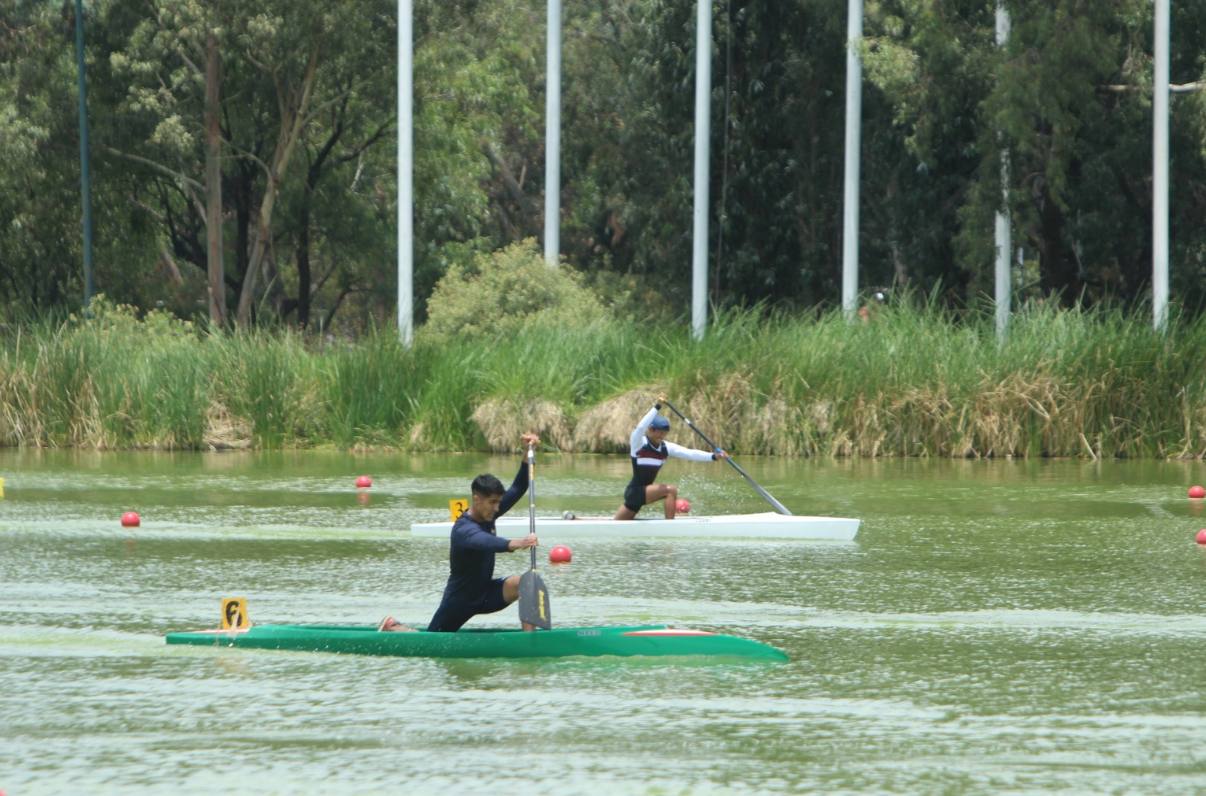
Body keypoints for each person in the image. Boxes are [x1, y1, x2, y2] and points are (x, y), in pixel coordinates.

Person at [379, 432, 541, 633]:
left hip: (486, 593)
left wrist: (527, 452)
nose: (497, 508)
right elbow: (484, 542)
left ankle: (529, 639)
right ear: (476, 499)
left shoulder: (490, 512)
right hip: (460, 601)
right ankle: (393, 627)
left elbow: (519, 487)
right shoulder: (463, 529)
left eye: (499, 502)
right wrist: (517, 543)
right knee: (430, 643)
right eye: (492, 503)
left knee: (527, 582)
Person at [613, 396, 727, 521]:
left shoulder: (666, 448)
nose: (662, 436)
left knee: (616, 524)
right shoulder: (639, 444)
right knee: (670, 490)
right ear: (651, 429)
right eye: (659, 432)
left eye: (664, 433)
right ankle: (670, 526)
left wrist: (714, 457)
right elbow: (640, 427)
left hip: (643, 493)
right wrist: (657, 407)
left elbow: (690, 453)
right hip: (636, 491)